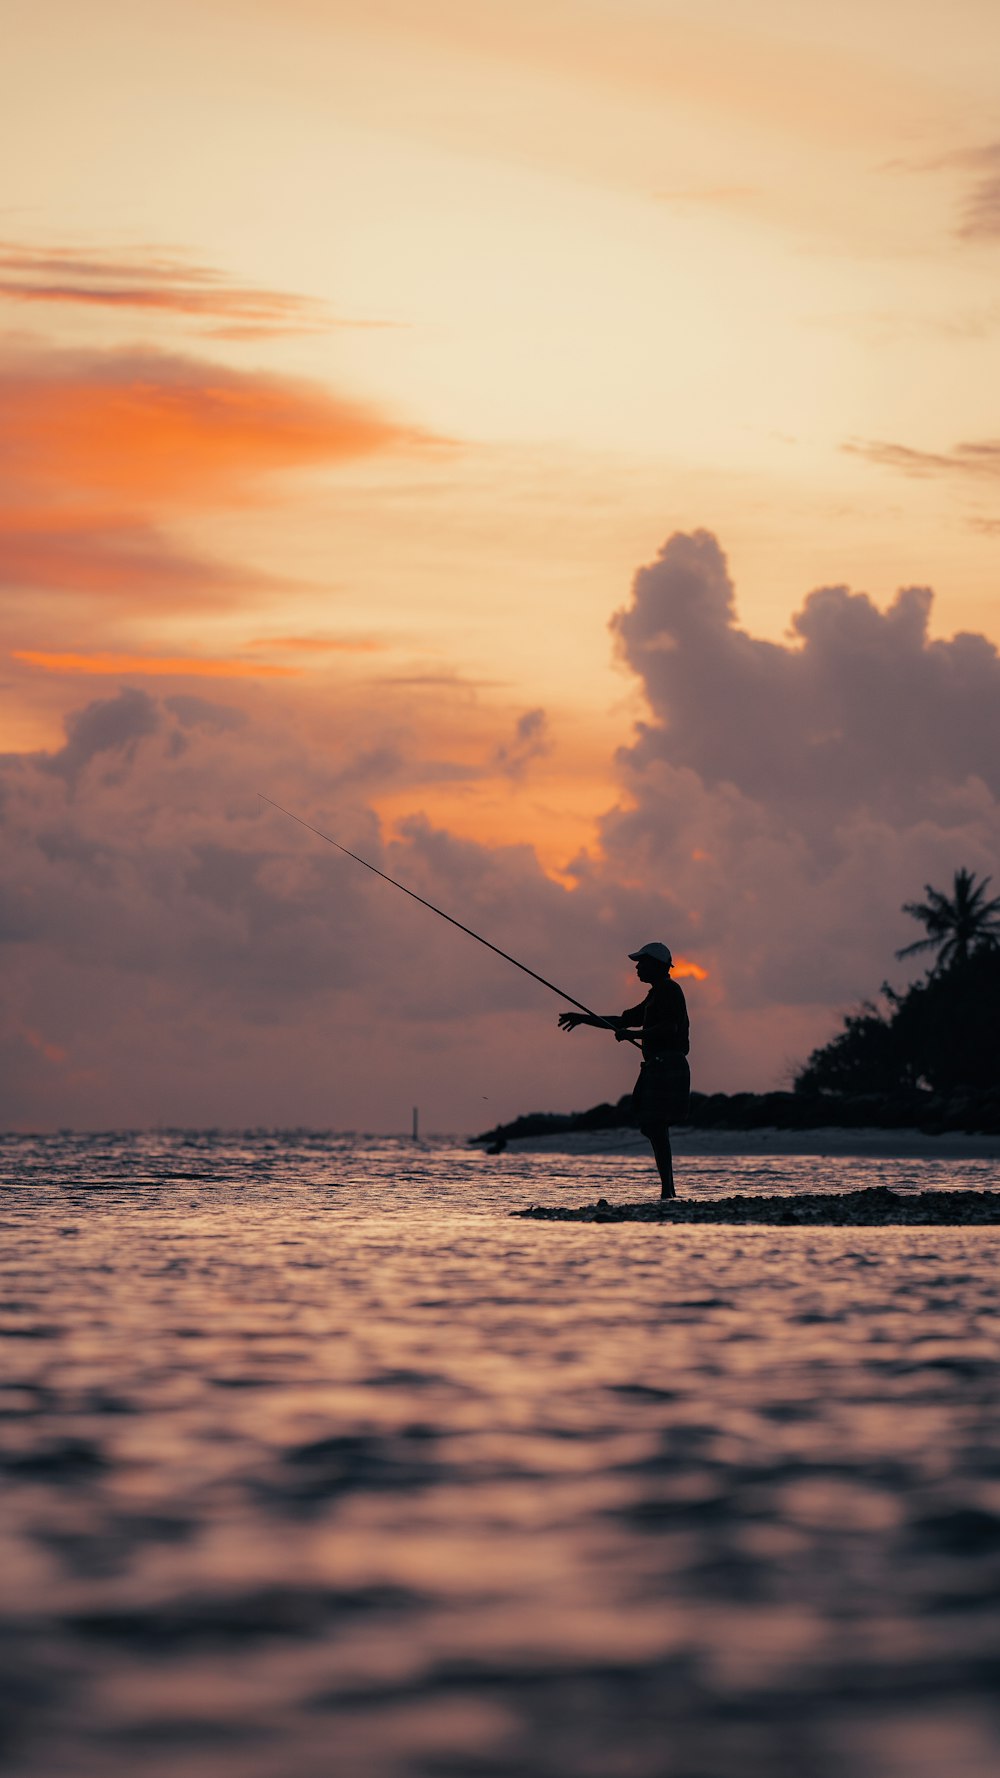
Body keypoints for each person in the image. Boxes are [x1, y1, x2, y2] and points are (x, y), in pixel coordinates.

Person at [558, 942, 690, 1198]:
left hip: (668, 1064)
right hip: (657, 1064)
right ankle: (668, 1190)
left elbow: (669, 1028)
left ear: (657, 965)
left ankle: (668, 1191)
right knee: (653, 1126)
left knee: (656, 1124)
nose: (637, 967)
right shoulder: (655, 994)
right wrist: (583, 1018)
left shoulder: (670, 991)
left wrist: (635, 1034)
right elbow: (621, 1021)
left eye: (642, 963)